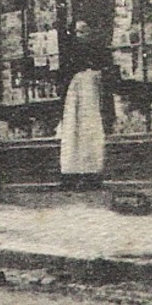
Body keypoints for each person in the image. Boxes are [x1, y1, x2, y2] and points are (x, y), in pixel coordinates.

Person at [58, 19, 112, 191]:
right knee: (74, 131)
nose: (81, 36)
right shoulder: (71, 55)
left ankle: (92, 171)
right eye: (77, 32)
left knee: (91, 130)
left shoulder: (99, 52)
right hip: (76, 97)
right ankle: (73, 172)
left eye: (84, 31)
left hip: (92, 95)